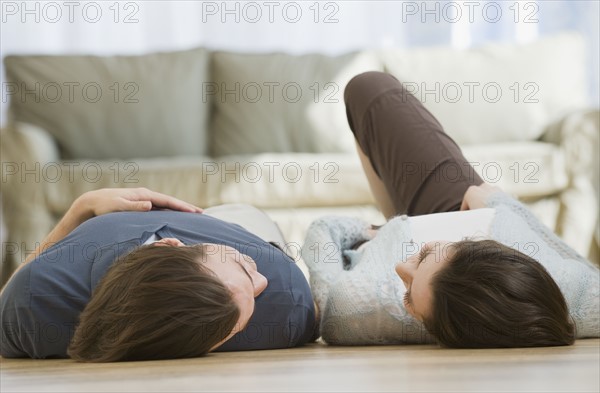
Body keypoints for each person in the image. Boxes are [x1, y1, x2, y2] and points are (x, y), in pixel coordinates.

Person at [302, 71, 599, 348]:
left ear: (435, 330)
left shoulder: (354, 310)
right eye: (424, 254)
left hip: (387, 240)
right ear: (476, 244)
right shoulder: (579, 295)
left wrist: (373, 231)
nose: (400, 267)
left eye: (409, 298)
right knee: (368, 88)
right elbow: (573, 262)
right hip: (470, 216)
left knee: (366, 88)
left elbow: (322, 229)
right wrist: (500, 204)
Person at [1, 188, 316, 361]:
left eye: (245, 268)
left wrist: (83, 207)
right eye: (241, 267)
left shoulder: (34, 297)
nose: (262, 281)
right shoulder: (286, 310)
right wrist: (83, 205)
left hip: (238, 223)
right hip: (239, 238)